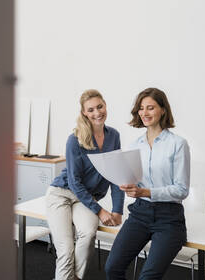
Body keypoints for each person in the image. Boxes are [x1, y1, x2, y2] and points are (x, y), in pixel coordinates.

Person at [105, 87, 190, 280]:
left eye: (150, 108)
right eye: (141, 108)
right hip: (140, 214)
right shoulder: (135, 146)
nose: (144, 113)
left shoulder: (178, 144)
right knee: (112, 268)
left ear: (163, 110)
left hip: (168, 219)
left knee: (148, 277)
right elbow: (133, 180)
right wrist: (126, 186)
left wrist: (145, 192)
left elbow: (181, 189)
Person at [46, 89, 124, 280]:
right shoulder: (75, 139)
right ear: (84, 113)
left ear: (105, 105)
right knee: (66, 249)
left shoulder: (113, 136)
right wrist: (100, 211)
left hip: (85, 198)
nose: (97, 113)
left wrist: (117, 210)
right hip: (62, 193)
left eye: (100, 106)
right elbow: (74, 182)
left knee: (88, 234)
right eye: (91, 110)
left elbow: (116, 175)